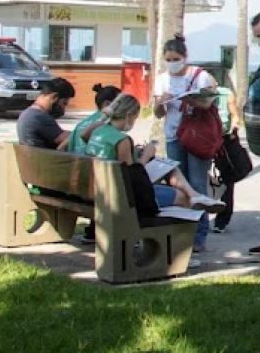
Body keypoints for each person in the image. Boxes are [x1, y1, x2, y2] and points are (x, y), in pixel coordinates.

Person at [83, 92, 225, 213]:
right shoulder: (122, 140)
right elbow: (131, 176)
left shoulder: (97, 131)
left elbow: (84, 135)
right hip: (120, 196)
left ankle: (194, 195)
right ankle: (182, 228)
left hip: (97, 188)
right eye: (135, 118)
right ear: (129, 116)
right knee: (182, 198)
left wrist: (104, 117)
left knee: (167, 168)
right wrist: (147, 155)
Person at [152, 35, 219, 252]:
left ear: (185, 56)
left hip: (197, 137)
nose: (172, 63)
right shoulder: (162, 79)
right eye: (169, 59)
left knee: (197, 185)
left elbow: (208, 102)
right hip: (174, 136)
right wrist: (162, 102)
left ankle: (199, 235)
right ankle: (182, 233)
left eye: (176, 58)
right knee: (178, 186)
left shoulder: (201, 77)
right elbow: (158, 112)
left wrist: (188, 99)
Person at [210, 84, 244, 234]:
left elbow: (234, 114)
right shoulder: (196, 96)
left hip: (223, 140)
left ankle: (222, 220)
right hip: (204, 139)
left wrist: (234, 126)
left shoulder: (225, 94)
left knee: (226, 180)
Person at [17, 78, 76, 150]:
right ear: (55, 97)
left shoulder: (27, 113)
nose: (63, 109)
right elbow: (68, 139)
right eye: (64, 103)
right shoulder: (39, 117)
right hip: (43, 160)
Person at [68, 84, 123, 156]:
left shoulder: (81, 124)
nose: (124, 108)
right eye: (121, 103)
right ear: (107, 104)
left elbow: (65, 148)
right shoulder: (108, 125)